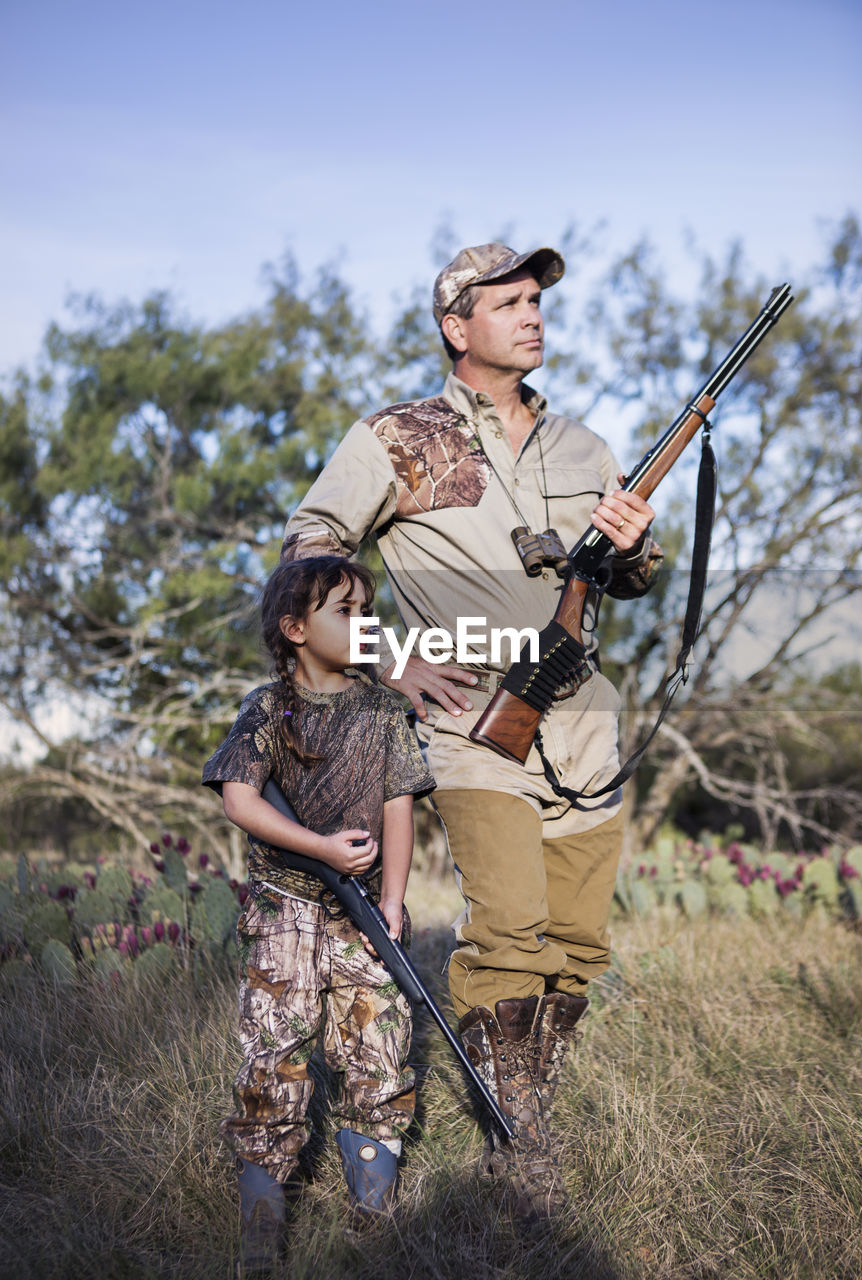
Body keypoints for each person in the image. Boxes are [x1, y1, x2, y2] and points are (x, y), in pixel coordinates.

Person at [281, 243, 661, 1222]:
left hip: (580, 711)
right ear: (458, 324)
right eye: (509, 302)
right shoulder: (395, 436)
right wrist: (386, 658)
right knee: (509, 930)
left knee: (575, 941)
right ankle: (522, 1143)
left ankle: (524, 1095)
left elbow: (635, 573)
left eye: (538, 300)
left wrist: (630, 550)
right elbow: (308, 551)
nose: (532, 315)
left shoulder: (581, 444)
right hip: (467, 718)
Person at [202, 555, 434, 1267]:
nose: (364, 624)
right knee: (275, 1054)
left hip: (361, 913)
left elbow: (399, 806)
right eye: (346, 611)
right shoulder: (269, 709)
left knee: (378, 1051)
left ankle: (373, 1223)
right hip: (285, 911)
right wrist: (321, 849)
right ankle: (262, 1234)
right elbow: (239, 798)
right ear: (295, 628)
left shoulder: (383, 710)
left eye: (368, 610)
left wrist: (391, 900)